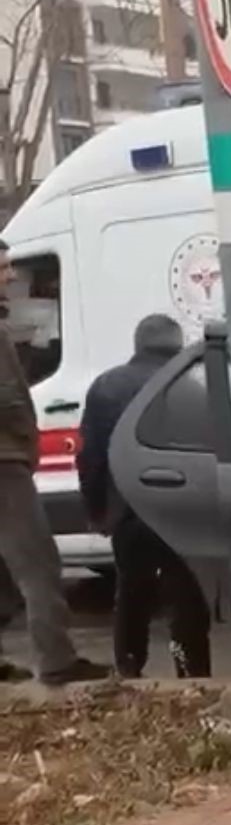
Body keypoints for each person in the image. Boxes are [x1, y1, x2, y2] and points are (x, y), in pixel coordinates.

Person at [77, 314, 211, 679]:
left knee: (133, 592)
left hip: (128, 510)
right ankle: (192, 670)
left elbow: (90, 457)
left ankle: (130, 667)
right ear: (177, 347)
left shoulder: (107, 386)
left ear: (137, 345)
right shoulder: (192, 390)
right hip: (179, 510)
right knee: (184, 591)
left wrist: (97, 510)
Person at [0, 239, 107, 684]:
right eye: (2, 267)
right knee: (38, 564)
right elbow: (6, 397)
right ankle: (58, 661)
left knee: (5, 570)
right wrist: (28, 441)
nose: (9, 276)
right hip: (4, 462)